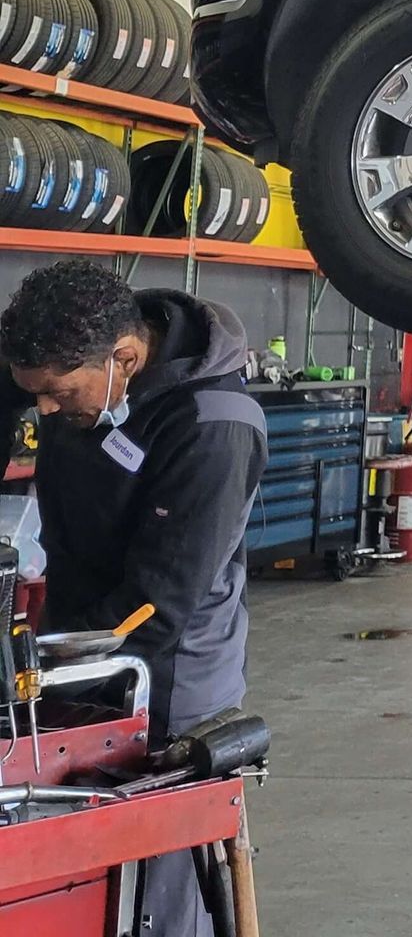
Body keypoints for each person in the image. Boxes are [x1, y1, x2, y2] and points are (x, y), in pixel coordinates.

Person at [0, 259, 266, 933]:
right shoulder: (63, 355)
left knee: (154, 886)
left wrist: (45, 673)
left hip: (168, 670)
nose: (46, 411)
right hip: (76, 641)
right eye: (34, 393)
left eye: (60, 394)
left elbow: (158, 604)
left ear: (124, 357)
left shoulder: (213, 425)